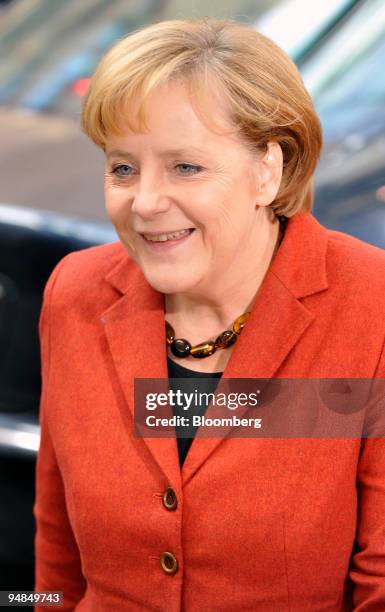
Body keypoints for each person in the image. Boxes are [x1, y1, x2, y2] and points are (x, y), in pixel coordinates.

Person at [33, 18, 385, 611]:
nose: (144, 202)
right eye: (123, 168)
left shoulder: (370, 305)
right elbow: (55, 557)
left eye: (185, 167)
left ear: (267, 170)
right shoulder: (77, 293)